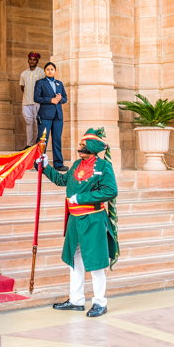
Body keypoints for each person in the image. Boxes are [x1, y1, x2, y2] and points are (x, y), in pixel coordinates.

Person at [44, 128, 119, 317]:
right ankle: (76, 300)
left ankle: (100, 303)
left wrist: (82, 197)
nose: (79, 149)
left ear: (92, 148)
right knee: (75, 261)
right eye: (80, 145)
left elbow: (111, 191)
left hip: (93, 220)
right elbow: (62, 181)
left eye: (83, 146)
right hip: (74, 221)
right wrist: (46, 167)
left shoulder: (103, 167)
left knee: (95, 263)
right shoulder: (77, 164)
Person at [33, 62, 67, 171]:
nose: (50, 71)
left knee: (57, 139)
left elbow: (65, 98)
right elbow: (36, 98)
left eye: (52, 69)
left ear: (55, 71)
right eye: (48, 69)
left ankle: (58, 164)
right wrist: (50, 100)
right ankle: (39, 163)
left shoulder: (59, 84)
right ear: (45, 71)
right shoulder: (40, 83)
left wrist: (60, 98)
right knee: (42, 140)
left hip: (58, 115)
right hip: (45, 115)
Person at [19, 51, 45, 148]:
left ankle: (39, 144)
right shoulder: (23, 74)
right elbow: (22, 87)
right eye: (30, 59)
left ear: (37, 61)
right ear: (28, 60)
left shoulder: (42, 72)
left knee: (38, 123)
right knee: (28, 123)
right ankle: (29, 144)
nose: (32, 61)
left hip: (37, 102)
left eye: (34, 60)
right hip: (26, 102)